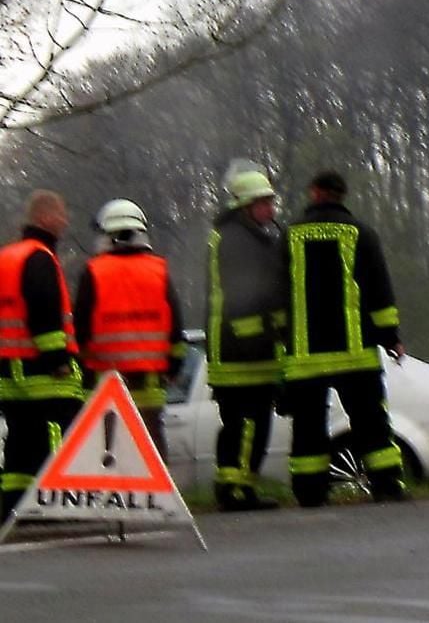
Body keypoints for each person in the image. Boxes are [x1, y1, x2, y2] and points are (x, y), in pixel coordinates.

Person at [281, 170, 407, 507]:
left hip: (305, 358)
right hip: (355, 354)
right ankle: (386, 485)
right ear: (342, 195)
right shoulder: (361, 234)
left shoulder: (289, 236)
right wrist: (390, 337)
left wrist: (282, 341)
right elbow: (379, 290)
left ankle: (309, 492)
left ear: (314, 193)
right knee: (371, 422)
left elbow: (277, 294)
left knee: (308, 427)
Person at [75, 199, 186, 459]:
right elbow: (175, 325)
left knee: (107, 450)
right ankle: (157, 499)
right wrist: (175, 365)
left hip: (106, 379)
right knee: (150, 448)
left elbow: (81, 328)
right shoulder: (158, 270)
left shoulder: (93, 271)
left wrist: (84, 366)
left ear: (107, 235)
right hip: (149, 380)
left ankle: (110, 498)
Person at [0, 190, 84, 520]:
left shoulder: (7, 257)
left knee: (20, 441)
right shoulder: (40, 258)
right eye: (61, 215)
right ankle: (55, 503)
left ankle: (14, 506)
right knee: (56, 434)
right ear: (45, 217)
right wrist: (58, 360)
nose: (65, 222)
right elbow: (45, 314)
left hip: (9, 370)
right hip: (43, 373)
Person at [206, 165, 286, 511]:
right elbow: (252, 294)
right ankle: (237, 491)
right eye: (264, 203)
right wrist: (275, 330)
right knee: (247, 425)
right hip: (244, 352)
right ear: (245, 206)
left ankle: (235, 487)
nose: (271, 210)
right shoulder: (238, 241)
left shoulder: (248, 237)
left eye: (271, 202)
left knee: (244, 425)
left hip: (246, 351)